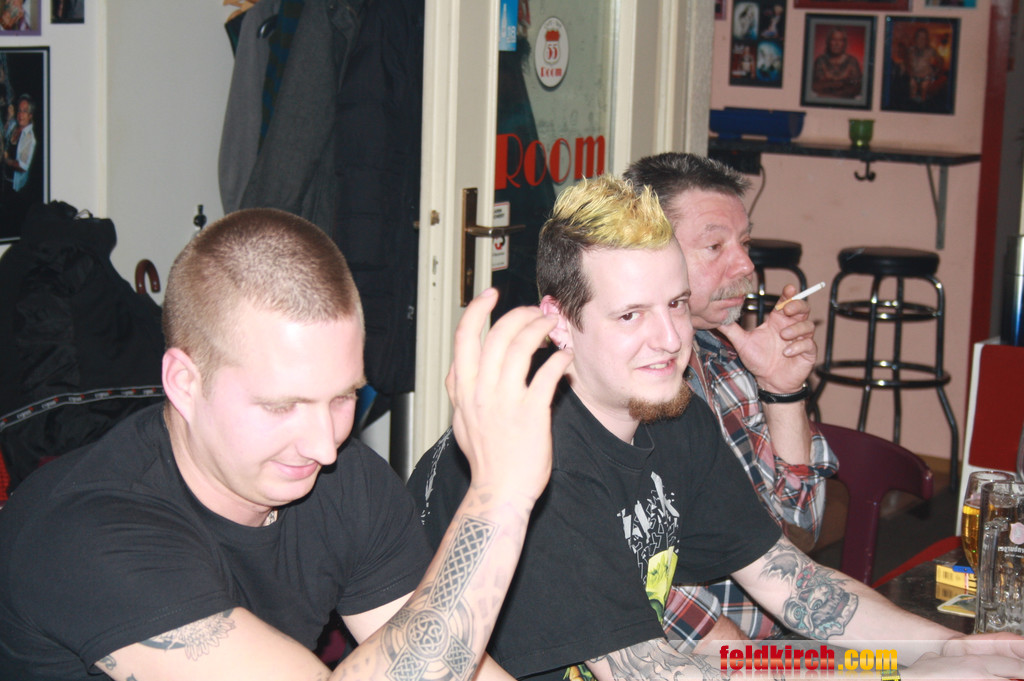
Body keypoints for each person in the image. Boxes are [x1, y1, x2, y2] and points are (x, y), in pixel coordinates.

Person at [409, 175, 1024, 681]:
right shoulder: (541, 454)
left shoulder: (672, 415)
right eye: (631, 315)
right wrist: (901, 678)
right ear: (560, 323)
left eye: (677, 304)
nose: (669, 339)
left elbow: (791, 582)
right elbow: (645, 671)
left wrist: (948, 649)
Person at [0, 207, 573, 681]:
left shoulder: (345, 483)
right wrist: (500, 496)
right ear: (184, 382)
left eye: (344, 397)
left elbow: (447, 657)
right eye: (281, 406)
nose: (324, 446)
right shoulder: (88, 533)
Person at [623, 152, 837, 648]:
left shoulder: (728, 360)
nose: (745, 265)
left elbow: (800, 533)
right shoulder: (621, 388)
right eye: (715, 245)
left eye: (745, 243)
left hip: (772, 644)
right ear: (649, 255)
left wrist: (782, 390)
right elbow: (645, 590)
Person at [810, 28, 863, 99]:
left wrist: (830, 84)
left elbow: (857, 87)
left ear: (844, 43)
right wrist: (843, 84)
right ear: (828, 42)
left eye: (840, 40)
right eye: (833, 40)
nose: (837, 44)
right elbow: (816, 86)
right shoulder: (820, 61)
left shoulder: (852, 61)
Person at [2, 93, 36, 193]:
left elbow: (23, 167)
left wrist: (6, 160)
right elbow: (3, 136)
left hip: (13, 186)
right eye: (19, 111)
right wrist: (8, 119)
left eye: (24, 111)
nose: (20, 115)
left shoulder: (29, 138)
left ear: (30, 115)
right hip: (3, 178)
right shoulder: (13, 125)